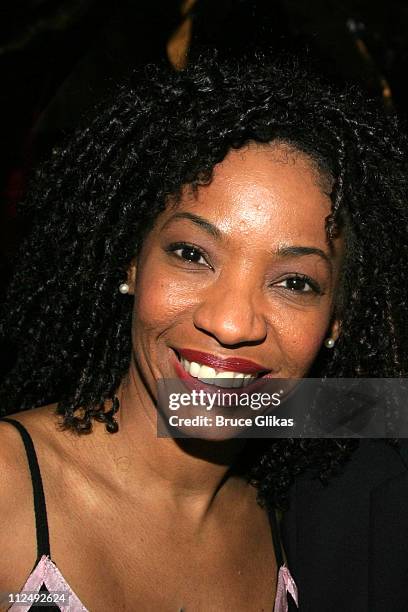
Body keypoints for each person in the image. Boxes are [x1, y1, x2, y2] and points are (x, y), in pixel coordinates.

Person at [0, 52, 407, 611]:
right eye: (192, 254)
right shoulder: (7, 488)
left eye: (294, 282)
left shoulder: (301, 521)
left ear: (337, 319)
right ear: (132, 263)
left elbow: (383, 408)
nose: (232, 322)